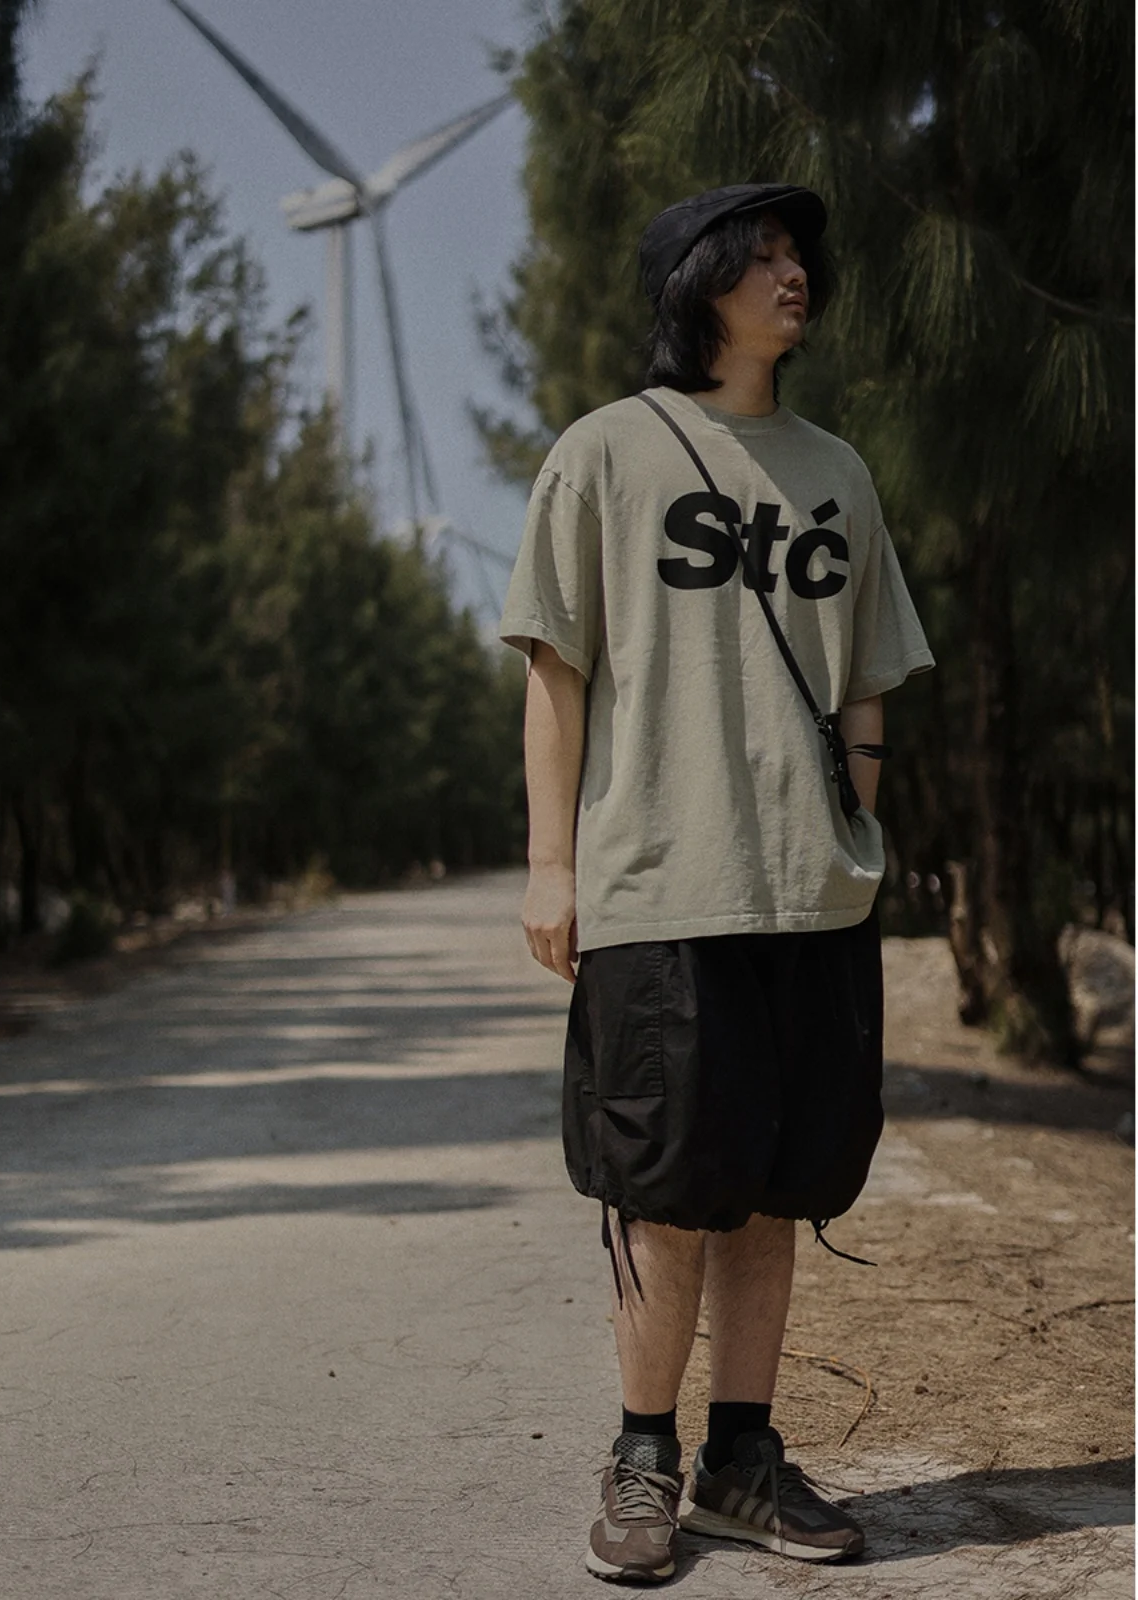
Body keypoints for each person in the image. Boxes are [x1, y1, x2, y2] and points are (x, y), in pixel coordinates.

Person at [498, 182, 935, 1585]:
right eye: (766, 256)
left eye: (803, 255)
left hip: (810, 896)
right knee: (664, 1187)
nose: (796, 275)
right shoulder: (604, 454)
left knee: (776, 1185)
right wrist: (551, 863)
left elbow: (869, 671)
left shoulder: (837, 470)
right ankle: (644, 1454)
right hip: (659, 888)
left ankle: (743, 1459)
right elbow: (556, 668)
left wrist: (853, 820)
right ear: (701, 283)